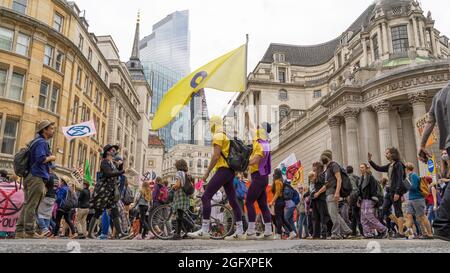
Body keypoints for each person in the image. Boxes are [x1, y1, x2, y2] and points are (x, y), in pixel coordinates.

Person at [188, 116, 243, 240]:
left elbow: (216, 156)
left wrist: (207, 172)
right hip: (230, 171)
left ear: (213, 124)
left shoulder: (218, 136)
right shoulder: (225, 135)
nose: (209, 126)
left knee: (205, 196)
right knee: (233, 201)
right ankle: (239, 231)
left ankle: (205, 230)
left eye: (210, 123)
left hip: (223, 170)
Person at [419, 83, 450, 241]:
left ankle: (442, 224)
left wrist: (422, 145)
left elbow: (429, 122)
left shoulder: (439, 95)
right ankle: (442, 224)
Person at [16, 120, 57, 239]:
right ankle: (29, 231)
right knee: (32, 204)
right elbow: (40, 159)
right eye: (51, 129)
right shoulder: (41, 142)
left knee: (28, 203)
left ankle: (20, 230)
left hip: (31, 176)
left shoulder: (35, 141)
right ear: (44, 130)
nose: (53, 131)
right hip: (36, 176)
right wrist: (51, 157)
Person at [87, 144, 129, 240]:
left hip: (110, 191)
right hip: (103, 190)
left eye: (115, 150)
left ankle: (120, 233)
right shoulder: (104, 162)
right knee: (98, 211)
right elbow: (108, 174)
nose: (114, 151)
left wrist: (121, 164)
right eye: (113, 149)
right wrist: (122, 171)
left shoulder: (112, 163)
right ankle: (90, 233)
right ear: (108, 152)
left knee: (115, 211)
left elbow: (117, 171)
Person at [244, 122, 274, 240]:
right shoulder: (260, 140)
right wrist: (246, 113)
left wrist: (244, 163)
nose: (257, 127)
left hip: (260, 177)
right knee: (262, 205)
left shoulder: (263, 143)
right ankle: (268, 232)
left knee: (249, 202)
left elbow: (256, 159)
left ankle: (251, 231)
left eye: (259, 126)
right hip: (260, 177)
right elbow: (250, 126)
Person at [369, 148, 407, 238]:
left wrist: (398, 193)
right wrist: (370, 161)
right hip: (389, 191)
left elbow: (399, 179)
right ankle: (402, 226)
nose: (385, 155)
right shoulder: (390, 165)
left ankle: (401, 233)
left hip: (395, 192)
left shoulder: (399, 165)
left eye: (387, 153)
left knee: (398, 211)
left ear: (393, 154)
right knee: (384, 209)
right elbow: (379, 168)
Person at [322, 150, 352, 240]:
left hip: (333, 193)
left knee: (333, 214)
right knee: (335, 214)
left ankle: (336, 233)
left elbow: (339, 179)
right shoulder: (327, 169)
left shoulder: (334, 165)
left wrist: (337, 192)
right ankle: (347, 231)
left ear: (328, 157)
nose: (322, 159)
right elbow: (327, 184)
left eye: (323, 157)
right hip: (329, 193)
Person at [404, 163, 433, 239]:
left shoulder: (413, 175)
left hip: (417, 198)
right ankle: (407, 233)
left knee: (422, 216)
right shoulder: (409, 176)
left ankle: (429, 234)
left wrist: (406, 184)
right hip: (411, 198)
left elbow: (414, 187)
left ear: (406, 169)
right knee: (409, 215)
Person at [359, 163, 387, 239]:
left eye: (362, 167)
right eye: (360, 167)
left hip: (370, 199)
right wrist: (359, 200)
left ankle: (383, 229)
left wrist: (373, 198)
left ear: (366, 168)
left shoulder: (370, 178)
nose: (361, 169)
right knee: (363, 218)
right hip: (363, 200)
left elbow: (374, 189)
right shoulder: (361, 178)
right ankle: (368, 233)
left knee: (369, 215)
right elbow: (360, 190)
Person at [172, 160, 191, 240]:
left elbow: (178, 184)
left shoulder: (179, 173)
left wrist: (173, 187)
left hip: (180, 195)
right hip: (185, 195)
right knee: (181, 215)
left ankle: (178, 234)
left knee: (179, 216)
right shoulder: (186, 174)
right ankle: (186, 232)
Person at [37, 165, 58, 237]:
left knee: (39, 213)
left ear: (49, 168)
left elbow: (44, 184)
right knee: (47, 215)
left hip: (46, 196)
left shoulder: (49, 176)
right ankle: (46, 232)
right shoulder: (57, 177)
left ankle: (44, 228)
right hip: (53, 197)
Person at [311, 162, 330, 240]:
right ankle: (316, 234)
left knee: (322, 217)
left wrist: (318, 193)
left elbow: (325, 186)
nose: (312, 168)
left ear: (317, 167)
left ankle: (324, 234)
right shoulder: (316, 176)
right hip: (316, 199)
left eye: (314, 166)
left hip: (321, 198)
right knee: (316, 217)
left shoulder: (321, 175)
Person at [270, 169, 289, 240]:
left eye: (274, 173)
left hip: (279, 201)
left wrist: (272, 201)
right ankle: (289, 232)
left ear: (276, 174)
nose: (273, 174)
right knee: (281, 218)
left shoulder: (278, 181)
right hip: (280, 201)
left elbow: (277, 193)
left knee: (278, 218)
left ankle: (279, 234)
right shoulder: (280, 181)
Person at [347, 166, 363, 237]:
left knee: (356, 215)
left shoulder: (349, 178)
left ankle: (361, 232)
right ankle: (354, 232)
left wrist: (350, 198)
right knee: (354, 216)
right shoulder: (357, 177)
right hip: (358, 197)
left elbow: (354, 189)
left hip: (354, 198)